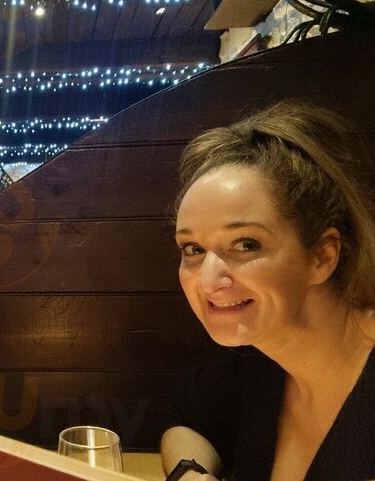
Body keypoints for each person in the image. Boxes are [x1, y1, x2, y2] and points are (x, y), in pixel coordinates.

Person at [160, 101, 375, 481]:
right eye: (192, 249)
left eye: (246, 244)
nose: (208, 281)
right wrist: (189, 474)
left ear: (322, 256)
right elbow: (186, 418)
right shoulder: (260, 360)